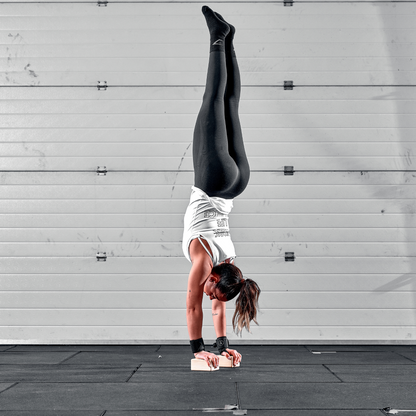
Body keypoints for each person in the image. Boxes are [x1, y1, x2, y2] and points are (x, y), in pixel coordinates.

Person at [183, 5, 261, 369]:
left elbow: (215, 305)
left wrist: (222, 346)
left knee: (231, 104)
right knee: (213, 100)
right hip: (213, 179)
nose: (208, 291)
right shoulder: (202, 258)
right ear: (215, 276)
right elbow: (193, 304)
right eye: (212, 286)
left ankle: (228, 40)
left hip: (237, 183)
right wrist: (197, 347)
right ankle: (217, 37)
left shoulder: (230, 264)